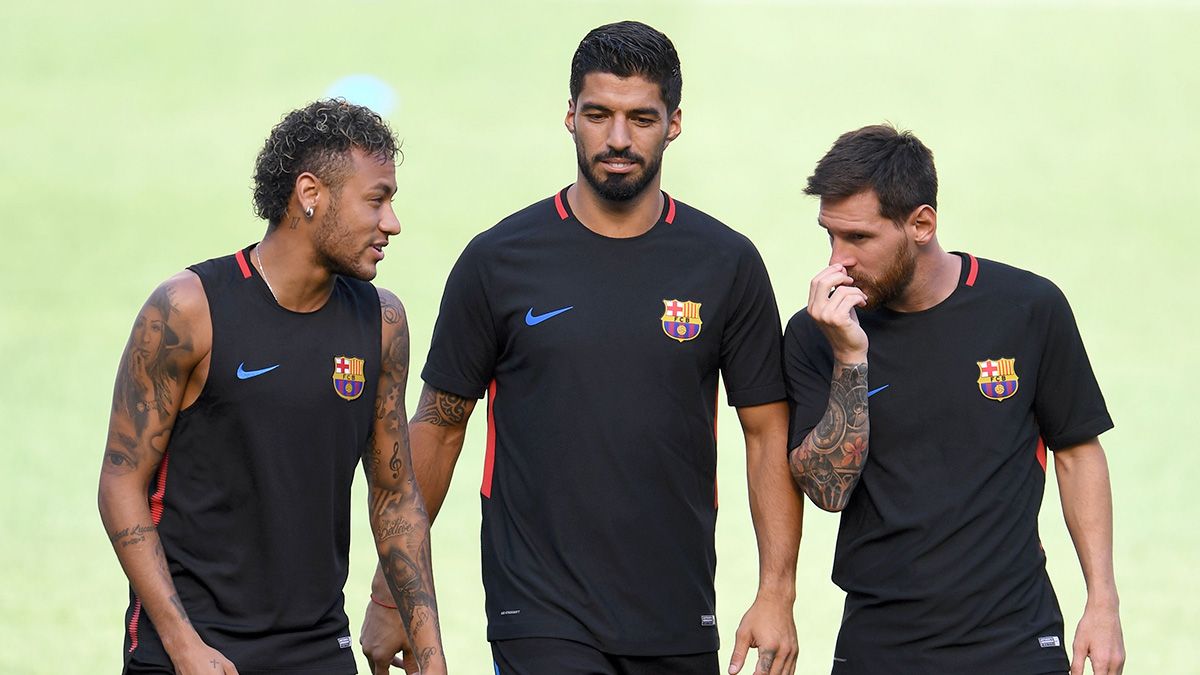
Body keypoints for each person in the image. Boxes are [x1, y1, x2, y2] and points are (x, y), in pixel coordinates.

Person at [360, 20, 802, 675]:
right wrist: (389, 592)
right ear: (570, 116)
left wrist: (777, 591)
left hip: (677, 614)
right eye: (598, 114)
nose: (618, 138)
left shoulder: (726, 263)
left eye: (641, 118)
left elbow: (767, 433)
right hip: (539, 614)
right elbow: (440, 426)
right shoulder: (497, 261)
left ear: (674, 123)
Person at [98, 99, 446, 675]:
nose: (392, 223)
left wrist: (430, 653)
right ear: (310, 194)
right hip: (194, 651)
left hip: (317, 650)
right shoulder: (188, 310)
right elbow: (120, 483)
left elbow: (395, 495)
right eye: (376, 200)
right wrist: (184, 647)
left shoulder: (381, 323)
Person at [784, 124, 1125, 675]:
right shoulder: (814, 334)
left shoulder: (1028, 309)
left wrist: (1103, 603)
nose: (836, 261)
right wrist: (850, 360)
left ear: (921, 223)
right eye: (830, 235)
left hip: (1015, 638)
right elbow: (826, 491)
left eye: (860, 238)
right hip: (881, 643)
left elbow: (1078, 453)